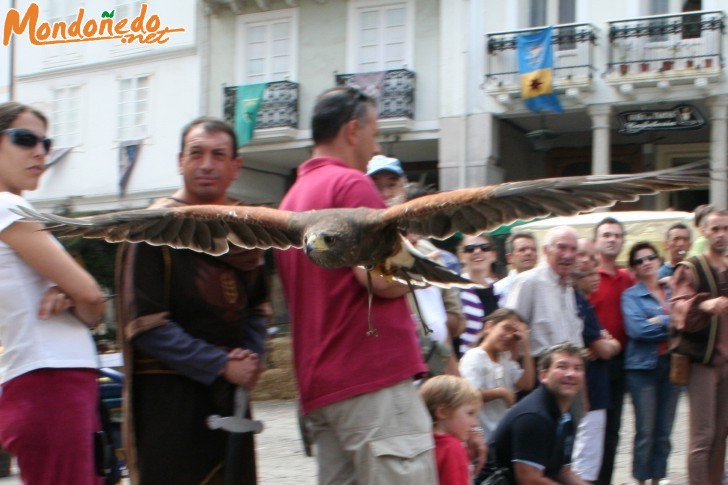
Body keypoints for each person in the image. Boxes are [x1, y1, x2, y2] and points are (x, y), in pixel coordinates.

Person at [274, 86, 441, 483]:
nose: (375, 145)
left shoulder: (291, 201)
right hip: (372, 380)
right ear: (352, 130)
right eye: (374, 133)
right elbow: (377, 280)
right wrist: (421, 268)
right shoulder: (351, 185)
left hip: (322, 388)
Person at [117, 116, 270, 484]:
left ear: (236, 166)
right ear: (180, 161)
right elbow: (147, 325)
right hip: (171, 402)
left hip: (230, 391)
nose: (206, 164)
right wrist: (220, 363)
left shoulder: (246, 229)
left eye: (218, 155)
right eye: (196, 153)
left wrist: (250, 359)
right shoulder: (152, 228)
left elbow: (257, 309)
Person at [0, 102, 106, 484]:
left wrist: (70, 294)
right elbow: (93, 298)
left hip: (41, 381)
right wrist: (78, 298)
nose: (40, 151)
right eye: (25, 139)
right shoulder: (8, 207)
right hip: (50, 383)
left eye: (46, 142)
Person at [671, 207, 728, 485]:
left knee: (720, 435)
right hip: (702, 361)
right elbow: (678, 308)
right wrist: (703, 304)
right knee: (702, 435)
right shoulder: (691, 267)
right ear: (703, 231)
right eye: (715, 228)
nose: (721, 234)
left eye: (726, 229)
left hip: (727, 363)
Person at [484, 342, 589, 484]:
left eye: (578, 368)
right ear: (543, 375)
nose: (571, 374)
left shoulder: (565, 415)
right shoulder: (534, 417)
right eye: (562, 367)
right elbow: (530, 480)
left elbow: (563, 471)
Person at [622, 241, 679, 485]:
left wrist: (659, 320)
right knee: (645, 431)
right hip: (642, 369)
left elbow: (687, 321)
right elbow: (637, 330)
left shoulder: (672, 291)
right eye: (639, 260)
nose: (645, 262)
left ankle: (657, 479)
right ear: (633, 268)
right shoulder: (630, 295)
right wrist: (670, 322)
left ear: (658, 260)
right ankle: (641, 481)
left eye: (650, 257)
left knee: (664, 430)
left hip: (673, 365)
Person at [571, 239, 622, 483]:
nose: (595, 274)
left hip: (594, 391)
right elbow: (603, 348)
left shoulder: (584, 304)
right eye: (588, 271)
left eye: (595, 266)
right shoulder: (577, 302)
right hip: (587, 393)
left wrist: (608, 344)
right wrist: (608, 344)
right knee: (584, 461)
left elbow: (609, 344)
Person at [590, 216, 635, 485]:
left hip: (620, 362)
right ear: (596, 241)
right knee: (591, 428)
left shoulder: (627, 278)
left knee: (613, 429)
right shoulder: (588, 277)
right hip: (593, 361)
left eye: (617, 235)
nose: (612, 239)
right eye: (606, 235)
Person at [505, 226, 584, 357]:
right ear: (546, 250)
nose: (568, 255)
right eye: (562, 247)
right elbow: (510, 332)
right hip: (539, 368)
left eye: (573, 249)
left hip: (568, 368)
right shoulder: (528, 281)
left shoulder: (568, 286)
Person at [459, 308, 535, 438]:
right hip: (480, 433)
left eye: (515, 335)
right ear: (489, 326)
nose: (509, 336)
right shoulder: (474, 356)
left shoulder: (504, 359)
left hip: (499, 433)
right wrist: (499, 392)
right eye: (506, 328)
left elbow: (526, 384)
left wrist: (526, 347)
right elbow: (467, 395)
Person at [419, 375, 483, 485]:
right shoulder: (453, 448)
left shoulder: (425, 441)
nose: (475, 423)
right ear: (443, 412)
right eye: (470, 413)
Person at [457, 233, 500, 355]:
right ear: (461, 256)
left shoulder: (501, 290)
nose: (477, 251)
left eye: (484, 247)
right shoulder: (455, 290)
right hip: (464, 363)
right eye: (470, 249)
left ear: (493, 255)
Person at [494, 232, 538, 302]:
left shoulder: (546, 285)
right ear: (509, 258)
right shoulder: (498, 290)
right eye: (522, 249)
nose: (529, 253)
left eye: (533, 249)